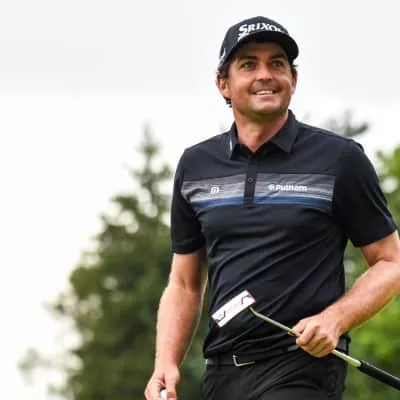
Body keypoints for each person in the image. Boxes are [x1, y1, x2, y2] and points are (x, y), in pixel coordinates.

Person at [145, 15, 400, 400]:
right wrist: (166, 362)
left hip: (301, 368)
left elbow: (390, 262)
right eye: (249, 64)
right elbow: (184, 282)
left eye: (277, 63)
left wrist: (335, 319)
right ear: (223, 84)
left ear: (293, 80)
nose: (265, 74)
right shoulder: (196, 166)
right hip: (222, 373)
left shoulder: (340, 159)